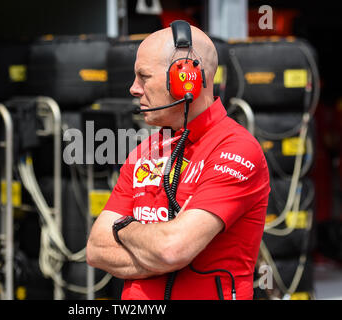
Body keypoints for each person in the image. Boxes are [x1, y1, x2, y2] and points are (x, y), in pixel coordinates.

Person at [86, 22, 270, 300]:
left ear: (187, 78)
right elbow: (96, 249)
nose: (134, 89)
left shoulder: (237, 149)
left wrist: (123, 226)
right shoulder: (147, 149)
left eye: (143, 77)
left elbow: (172, 250)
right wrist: (160, 252)